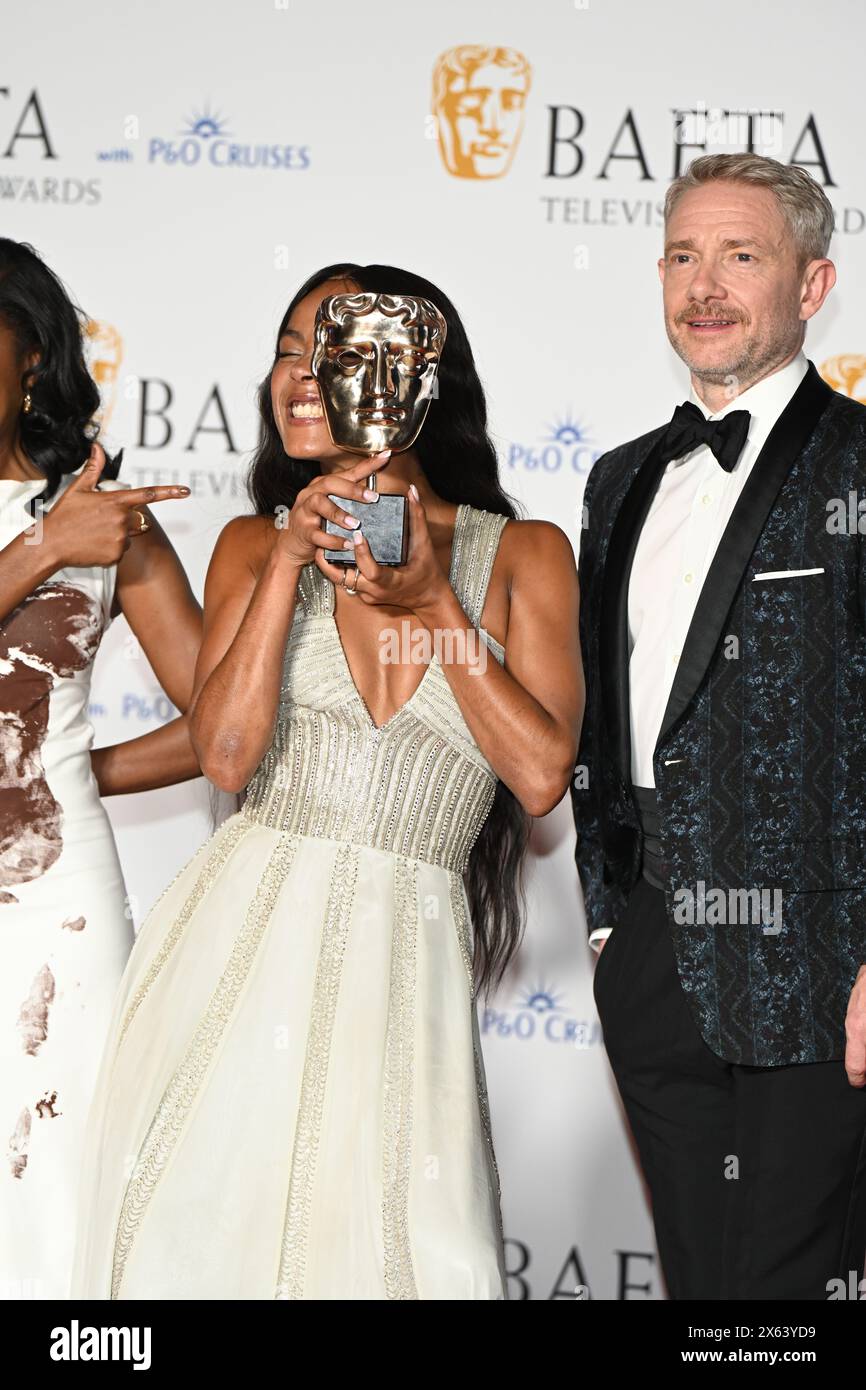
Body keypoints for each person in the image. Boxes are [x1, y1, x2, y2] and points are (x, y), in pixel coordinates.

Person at [71, 261, 584, 1301]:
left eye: (334, 349)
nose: (300, 375)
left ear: (415, 372)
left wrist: (437, 603)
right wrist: (285, 564)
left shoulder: (523, 554)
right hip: (233, 957)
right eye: (287, 350)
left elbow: (537, 777)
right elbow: (223, 755)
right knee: (200, 1257)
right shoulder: (248, 546)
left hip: (409, 977)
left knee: (412, 1261)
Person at [572, 153, 866, 1300]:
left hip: (818, 959)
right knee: (701, 1290)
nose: (705, 284)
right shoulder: (618, 479)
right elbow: (608, 714)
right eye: (683, 255)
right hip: (652, 956)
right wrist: (606, 924)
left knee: (786, 1294)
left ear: (810, 285)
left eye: (740, 255)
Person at [0, 238, 202, 1300]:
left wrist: (66, 765)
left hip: (52, 914)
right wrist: (38, 549)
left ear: (32, 358)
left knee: (59, 1204)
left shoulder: (106, 520)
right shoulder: (62, 532)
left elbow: (224, 721)